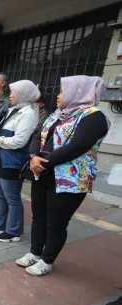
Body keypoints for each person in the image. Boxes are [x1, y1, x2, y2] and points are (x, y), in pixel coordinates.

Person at [16, 75, 110, 276]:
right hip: (42, 173)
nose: (58, 96)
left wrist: (43, 162)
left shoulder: (94, 116)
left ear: (79, 91)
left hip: (70, 180)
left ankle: (47, 260)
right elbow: (38, 136)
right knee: (39, 217)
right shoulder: (57, 114)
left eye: (62, 91)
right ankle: (35, 253)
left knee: (56, 222)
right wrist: (33, 157)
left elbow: (78, 146)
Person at [0, 80, 39, 242]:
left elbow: (19, 141)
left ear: (23, 95)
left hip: (12, 161)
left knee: (12, 198)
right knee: (0, 195)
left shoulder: (28, 113)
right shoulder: (14, 110)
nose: (10, 95)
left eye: (13, 92)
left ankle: (14, 231)